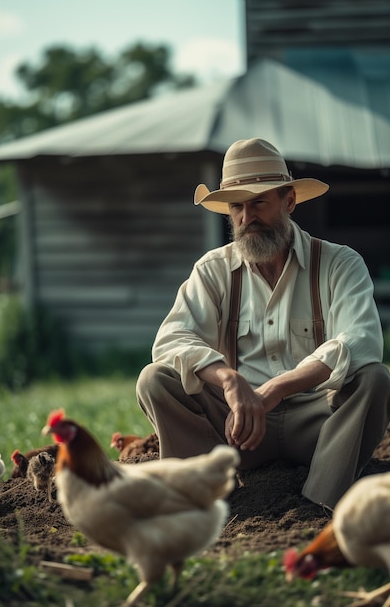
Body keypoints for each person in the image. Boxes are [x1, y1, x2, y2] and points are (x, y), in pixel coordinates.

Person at [136, 137, 390, 510]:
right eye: (236, 207)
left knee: (374, 378)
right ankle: (206, 496)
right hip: (237, 429)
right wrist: (229, 379)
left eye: (258, 203)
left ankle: (321, 504)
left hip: (318, 425)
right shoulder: (213, 270)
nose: (246, 217)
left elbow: (361, 338)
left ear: (288, 201)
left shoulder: (339, 263)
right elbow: (172, 339)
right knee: (154, 379)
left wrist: (278, 387)